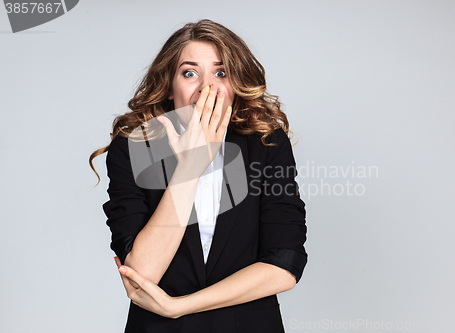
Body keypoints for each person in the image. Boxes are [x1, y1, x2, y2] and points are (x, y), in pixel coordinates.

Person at [89, 19, 307, 333]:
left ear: (236, 84)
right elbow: (142, 272)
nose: (207, 87)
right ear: (169, 84)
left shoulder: (267, 144)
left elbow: (284, 264)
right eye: (190, 73)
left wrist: (180, 307)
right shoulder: (133, 148)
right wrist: (191, 166)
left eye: (221, 72)